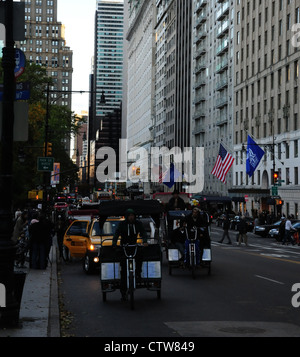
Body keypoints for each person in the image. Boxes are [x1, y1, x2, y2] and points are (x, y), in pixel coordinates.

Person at [112, 209, 148, 301]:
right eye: (130, 215)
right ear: (127, 216)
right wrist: (114, 242)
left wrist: (144, 241)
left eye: (133, 215)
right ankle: (123, 292)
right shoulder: (122, 224)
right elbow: (117, 233)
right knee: (123, 268)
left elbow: (143, 232)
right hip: (124, 247)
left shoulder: (138, 223)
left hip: (134, 246)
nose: (131, 217)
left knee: (140, 256)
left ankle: (138, 273)